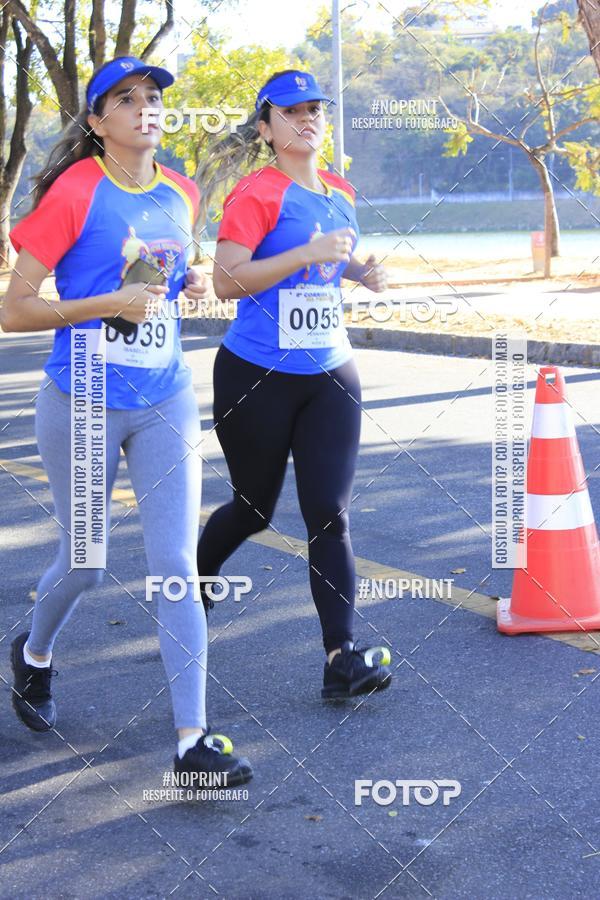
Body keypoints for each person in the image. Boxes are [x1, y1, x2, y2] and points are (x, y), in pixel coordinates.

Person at [2, 56, 252, 784]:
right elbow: (14, 311)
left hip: (165, 395)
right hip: (79, 396)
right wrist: (105, 305)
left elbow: (171, 277)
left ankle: (192, 742)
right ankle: (34, 653)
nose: (146, 108)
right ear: (97, 122)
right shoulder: (76, 192)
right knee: (85, 559)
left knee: (176, 565)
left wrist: (193, 281)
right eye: (126, 99)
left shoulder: (181, 191)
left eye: (153, 98)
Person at [195, 70, 393, 699]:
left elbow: (333, 261)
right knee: (254, 507)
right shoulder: (257, 192)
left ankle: (342, 656)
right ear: (266, 127)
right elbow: (227, 280)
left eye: (316, 109)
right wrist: (305, 257)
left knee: (329, 516)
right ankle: (193, 582)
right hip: (257, 374)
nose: (308, 119)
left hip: (330, 373)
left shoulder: (338, 189)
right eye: (292, 111)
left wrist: (361, 271)